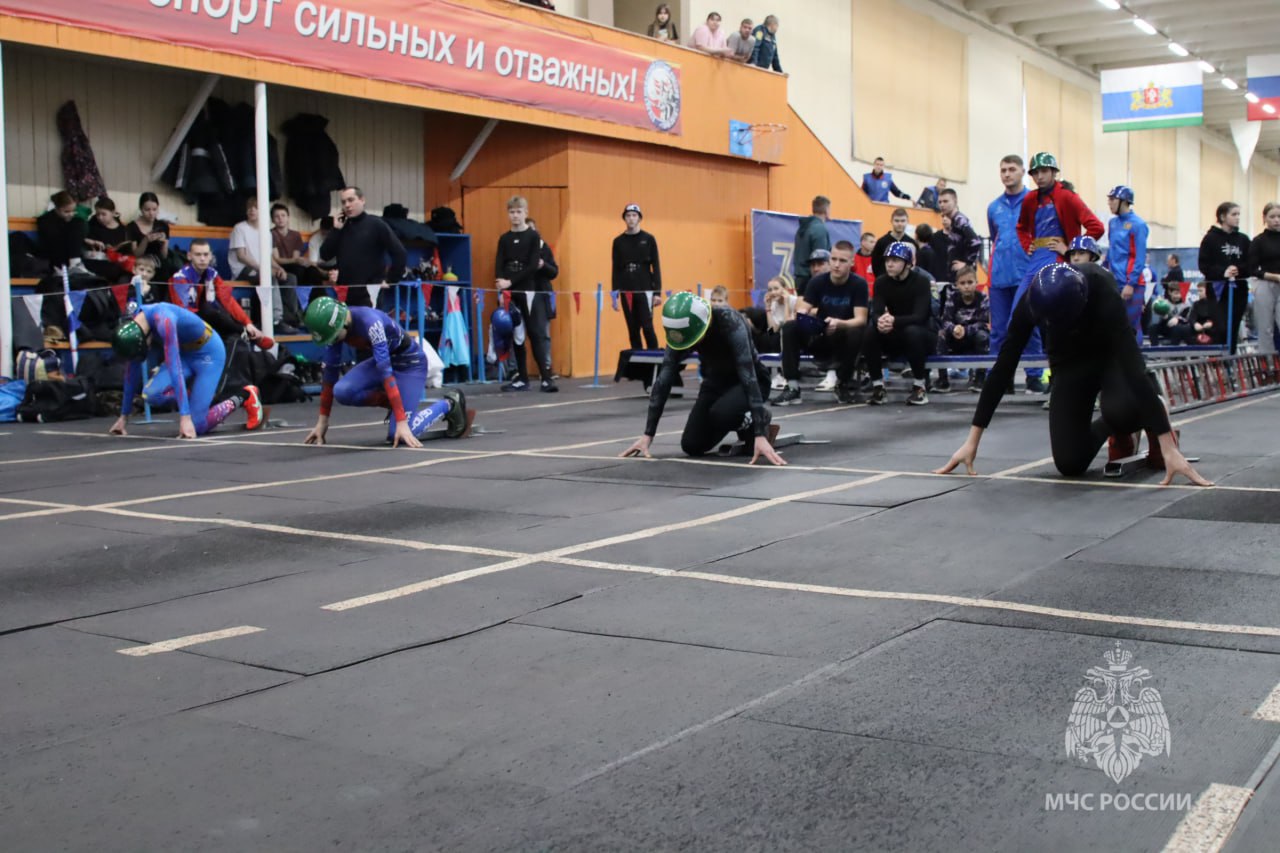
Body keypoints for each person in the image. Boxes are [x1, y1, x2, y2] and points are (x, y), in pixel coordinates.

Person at [936, 263, 1209, 486]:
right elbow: (1004, 365)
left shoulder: (1102, 286)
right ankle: (1112, 426)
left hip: (1109, 357)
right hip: (1069, 363)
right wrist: (972, 441)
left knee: (1123, 410)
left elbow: (1132, 362)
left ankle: (1147, 414)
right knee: (1069, 463)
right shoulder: (1031, 300)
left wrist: (1168, 445)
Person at [620, 292, 784, 465]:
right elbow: (664, 380)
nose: (691, 346)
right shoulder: (681, 331)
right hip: (715, 382)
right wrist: (648, 434)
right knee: (692, 445)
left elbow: (748, 376)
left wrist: (759, 434)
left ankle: (760, 417)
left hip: (753, 381)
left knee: (722, 414)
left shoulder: (731, 322)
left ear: (703, 325)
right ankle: (739, 419)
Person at [301, 296, 471, 448]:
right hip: (385, 360)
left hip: (410, 364)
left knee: (401, 434)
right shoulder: (337, 328)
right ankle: (397, 403)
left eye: (336, 337)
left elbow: (385, 372)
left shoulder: (370, 323)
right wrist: (322, 421)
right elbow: (330, 375)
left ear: (343, 323)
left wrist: (402, 422)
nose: (336, 342)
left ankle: (449, 403)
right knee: (342, 391)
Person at [1014, 152, 1104, 393]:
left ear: (1054, 172)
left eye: (1044, 171)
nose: (1040, 176)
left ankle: (1063, 378)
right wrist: (1027, 245)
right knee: (1021, 312)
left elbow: (1096, 226)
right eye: (1036, 172)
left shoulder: (1067, 197)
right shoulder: (1030, 199)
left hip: (1059, 260)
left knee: (1060, 319)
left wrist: (1073, 247)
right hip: (1037, 259)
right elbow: (1021, 227)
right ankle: (1037, 375)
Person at [108, 301, 264, 439]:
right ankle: (197, 401)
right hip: (184, 354)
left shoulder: (164, 320)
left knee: (197, 426)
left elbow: (174, 367)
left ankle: (245, 396)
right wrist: (124, 416)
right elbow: (131, 370)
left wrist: (185, 417)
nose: (149, 348)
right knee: (151, 394)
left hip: (208, 354)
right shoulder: (134, 322)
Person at [772, 241, 869, 406]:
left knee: (857, 331)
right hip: (819, 335)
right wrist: (803, 316)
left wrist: (840, 323)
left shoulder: (859, 284)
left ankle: (843, 384)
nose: (837, 265)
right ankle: (793, 387)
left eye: (842, 261)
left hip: (842, 337)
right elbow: (803, 309)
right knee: (790, 327)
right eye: (834, 259)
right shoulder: (817, 282)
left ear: (851, 263)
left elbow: (861, 319)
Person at [987, 154, 1039, 394]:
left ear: (1022, 172)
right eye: (1003, 170)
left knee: (1029, 327)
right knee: (998, 330)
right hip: (999, 277)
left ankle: (1034, 377)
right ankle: (999, 379)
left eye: (1011, 169)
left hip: (1026, 274)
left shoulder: (1034, 200)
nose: (1006, 174)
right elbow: (995, 235)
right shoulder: (993, 207)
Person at [865, 242, 934, 406]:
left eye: (895, 260)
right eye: (887, 259)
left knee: (912, 331)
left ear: (908, 263)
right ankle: (878, 387)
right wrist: (880, 321)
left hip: (923, 334)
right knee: (870, 331)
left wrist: (894, 320)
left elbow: (920, 316)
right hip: (896, 332)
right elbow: (876, 311)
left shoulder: (922, 281)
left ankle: (919, 387)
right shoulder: (881, 282)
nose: (889, 263)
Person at [169, 237, 271, 346]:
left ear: (210, 256)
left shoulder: (211, 274)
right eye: (198, 255)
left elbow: (228, 300)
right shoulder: (180, 278)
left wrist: (247, 323)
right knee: (211, 311)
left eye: (206, 254)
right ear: (189, 256)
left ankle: (248, 332)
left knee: (220, 309)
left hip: (203, 317)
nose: (202, 259)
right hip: (182, 320)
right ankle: (247, 334)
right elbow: (184, 311)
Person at [319, 186, 407, 308]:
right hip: (345, 291)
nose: (347, 205)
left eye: (351, 200)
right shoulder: (341, 228)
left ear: (362, 200)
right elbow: (324, 255)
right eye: (344, 202)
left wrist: (391, 279)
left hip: (371, 292)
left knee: (369, 326)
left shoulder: (376, 224)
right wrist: (336, 230)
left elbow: (399, 252)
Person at [494, 196, 545, 391]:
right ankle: (522, 377)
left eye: (518, 212)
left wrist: (511, 281)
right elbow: (499, 263)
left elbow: (533, 265)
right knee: (516, 332)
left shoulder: (533, 236)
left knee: (534, 332)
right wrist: (501, 286)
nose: (515, 215)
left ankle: (546, 376)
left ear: (525, 212)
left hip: (527, 288)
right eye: (512, 212)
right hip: (509, 291)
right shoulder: (504, 238)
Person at [229, 197, 301, 333]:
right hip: (243, 270)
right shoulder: (239, 228)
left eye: (255, 207)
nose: (252, 210)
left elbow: (268, 257)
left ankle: (290, 318)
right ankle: (276, 319)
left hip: (261, 269)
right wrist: (265, 270)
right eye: (249, 207)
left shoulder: (266, 232)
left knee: (289, 278)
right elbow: (241, 256)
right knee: (269, 278)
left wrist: (279, 268)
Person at [511, 215, 558, 392]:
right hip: (520, 294)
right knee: (518, 333)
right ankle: (519, 374)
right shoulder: (515, 247)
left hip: (540, 295)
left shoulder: (543, 247)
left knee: (541, 334)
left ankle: (545, 371)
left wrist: (542, 265)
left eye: (531, 230)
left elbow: (554, 271)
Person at [1197, 202, 1251, 353]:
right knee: (1221, 327)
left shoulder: (1243, 240)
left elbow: (1250, 264)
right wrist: (1222, 272)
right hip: (1218, 291)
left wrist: (1238, 270)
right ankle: (1218, 360)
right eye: (1234, 214)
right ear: (1222, 216)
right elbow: (1204, 265)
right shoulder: (1210, 239)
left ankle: (1231, 359)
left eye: (1239, 214)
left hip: (1239, 289)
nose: (1237, 218)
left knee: (1233, 327)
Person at [612, 203, 662, 351]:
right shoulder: (618, 242)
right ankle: (638, 364)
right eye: (628, 216)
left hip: (645, 288)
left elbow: (656, 266)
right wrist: (615, 293)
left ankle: (655, 361)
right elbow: (616, 268)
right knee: (633, 329)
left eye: (634, 215)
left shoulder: (648, 239)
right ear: (624, 219)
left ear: (639, 218)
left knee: (647, 327)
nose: (631, 219)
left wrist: (657, 292)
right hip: (626, 289)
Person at [1103, 185, 1149, 343]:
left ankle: (1136, 364)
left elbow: (1140, 257)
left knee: (1131, 326)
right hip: (1114, 281)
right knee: (1115, 324)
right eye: (1108, 199)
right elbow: (1111, 251)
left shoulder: (1138, 224)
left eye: (1112, 199)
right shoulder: (1113, 223)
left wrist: (1131, 283)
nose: (1109, 203)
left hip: (1132, 283)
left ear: (1124, 201)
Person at [935, 265, 990, 393]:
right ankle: (943, 380)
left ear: (976, 283)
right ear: (957, 285)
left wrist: (966, 330)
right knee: (941, 335)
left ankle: (980, 379)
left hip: (974, 336)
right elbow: (945, 320)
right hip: (955, 336)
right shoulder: (952, 297)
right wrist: (954, 328)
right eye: (963, 283)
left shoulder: (982, 298)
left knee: (983, 336)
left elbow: (983, 322)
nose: (966, 286)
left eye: (970, 282)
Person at [1247, 201, 1280, 355]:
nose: (1276, 220)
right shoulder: (1258, 241)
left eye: (1279, 217)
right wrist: (1272, 276)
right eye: (1272, 217)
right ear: (1265, 218)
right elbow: (1251, 268)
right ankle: (1267, 362)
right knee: (1265, 326)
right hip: (1266, 282)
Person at [35, 191, 87, 270]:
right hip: (53, 256)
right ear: (57, 208)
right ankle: (75, 263)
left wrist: (86, 240)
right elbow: (54, 241)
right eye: (66, 211)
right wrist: (66, 224)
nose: (71, 214)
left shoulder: (73, 221)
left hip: (70, 254)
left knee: (78, 222)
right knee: (76, 224)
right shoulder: (45, 221)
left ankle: (75, 263)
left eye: (73, 211)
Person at [937, 189, 983, 276]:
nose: (942, 205)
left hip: (964, 274)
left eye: (945, 201)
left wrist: (967, 264)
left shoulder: (959, 220)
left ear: (955, 201)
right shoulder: (953, 220)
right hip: (957, 273)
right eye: (940, 202)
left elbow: (976, 242)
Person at [793, 196, 831, 297]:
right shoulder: (819, 229)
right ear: (827, 210)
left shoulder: (802, 228)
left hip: (800, 279)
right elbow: (820, 258)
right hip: (812, 279)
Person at [127, 192, 171, 273]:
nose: (151, 213)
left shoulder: (163, 226)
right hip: (140, 264)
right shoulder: (131, 227)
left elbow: (164, 256)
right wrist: (145, 241)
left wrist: (164, 243)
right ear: (141, 209)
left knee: (167, 271)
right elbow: (135, 255)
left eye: (154, 209)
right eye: (147, 210)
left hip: (157, 264)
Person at [871, 208, 918, 280]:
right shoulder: (881, 242)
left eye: (903, 221)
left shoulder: (912, 243)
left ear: (907, 222)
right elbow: (875, 265)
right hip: (886, 283)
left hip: (907, 284)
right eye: (897, 221)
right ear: (891, 221)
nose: (899, 224)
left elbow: (915, 265)